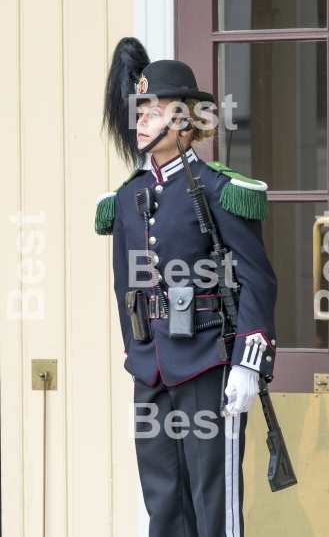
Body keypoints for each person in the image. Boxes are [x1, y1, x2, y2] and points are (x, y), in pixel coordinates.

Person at [96, 37, 277, 537]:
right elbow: (124, 287)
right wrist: (137, 351)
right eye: (139, 113)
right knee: (165, 507)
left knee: (214, 506)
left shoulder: (218, 190)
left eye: (152, 113)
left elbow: (257, 278)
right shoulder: (129, 197)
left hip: (205, 363)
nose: (141, 122)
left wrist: (247, 361)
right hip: (152, 372)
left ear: (182, 120)